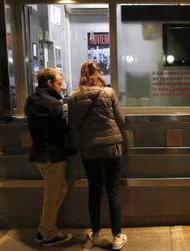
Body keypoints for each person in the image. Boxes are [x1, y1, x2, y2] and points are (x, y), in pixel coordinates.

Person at [68, 60, 127, 250]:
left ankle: (95, 233)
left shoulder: (73, 97)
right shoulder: (108, 92)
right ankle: (117, 237)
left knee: (94, 190)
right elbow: (121, 119)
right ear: (98, 73)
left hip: (90, 150)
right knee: (113, 190)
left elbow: (73, 126)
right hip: (112, 147)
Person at [24, 68, 73, 246]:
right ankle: (49, 234)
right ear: (50, 83)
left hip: (38, 154)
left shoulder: (30, 100)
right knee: (52, 194)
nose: (61, 87)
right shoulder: (54, 103)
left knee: (59, 190)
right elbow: (64, 129)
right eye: (59, 83)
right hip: (53, 155)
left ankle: (43, 229)